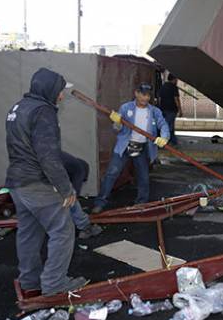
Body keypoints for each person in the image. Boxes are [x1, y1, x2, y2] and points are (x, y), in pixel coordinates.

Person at [5, 67, 87, 296]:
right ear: (50, 90)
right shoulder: (43, 112)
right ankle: (54, 284)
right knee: (63, 229)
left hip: (16, 183)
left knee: (29, 233)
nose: (61, 95)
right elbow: (48, 156)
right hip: (35, 183)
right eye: (60, 90)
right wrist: (66, 188)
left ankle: (30, 281)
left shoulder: (17, 108)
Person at [91, 83, 170, 213]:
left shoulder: (154, 111)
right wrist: (116, 122)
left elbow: (163, 125)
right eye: (143, 94)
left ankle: (141, 203)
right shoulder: (126, 108)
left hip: (142, 148)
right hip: (124, 146)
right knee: (111, 174)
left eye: (148, 95)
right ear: (136, 93)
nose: (145, 98)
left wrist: (164, 137)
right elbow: (118, 129)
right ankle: (100, 203)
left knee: (143, 176)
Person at [61, 152, 102, 239]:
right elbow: (74, 194)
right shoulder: (78, 170)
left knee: (68, 198)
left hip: (40, 172)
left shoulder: (69, 162)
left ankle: (83, 226)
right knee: (72, 199)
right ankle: (85, 226)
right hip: (52, 170)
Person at [158, 73, 182, 146]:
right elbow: (176, 99)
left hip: (163, 109)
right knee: (170, 126)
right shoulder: (174, 87)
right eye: (176, 79)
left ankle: (171, 141)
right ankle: (169, 142)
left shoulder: (163, 86)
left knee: (165, 125)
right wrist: (180, 110)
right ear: (174, 79)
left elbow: (159, 98)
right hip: (171, 109)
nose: (177, 81)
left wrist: (160, 108)